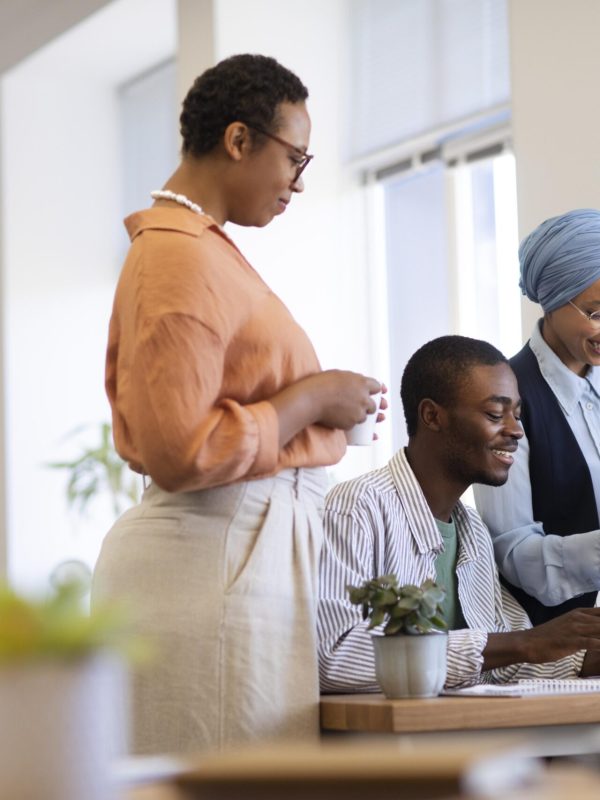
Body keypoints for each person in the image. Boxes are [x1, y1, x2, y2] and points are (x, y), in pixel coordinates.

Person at [92, 54, 382, 755]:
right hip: (215, 560)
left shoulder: (203, 250)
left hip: (234, 557)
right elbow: (180, 448)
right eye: (295, 158)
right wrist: (314, 396)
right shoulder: (178, 256)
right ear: (238, 140)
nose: (299, 183)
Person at [318, 336, 600, 693]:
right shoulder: (356, 509)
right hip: (380, 731)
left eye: (517, 414)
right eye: (495, 414)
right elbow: (333, 655)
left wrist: (583, 656)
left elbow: (504, 660)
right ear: (432, 416)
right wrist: (523, 643)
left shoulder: (474, 533)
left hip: (459, 727)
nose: (516, 430)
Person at [474, 209, 600, 625]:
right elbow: (513, 553)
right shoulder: (506, 401)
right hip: (556, 640)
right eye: (596, 313)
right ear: (552, 300)